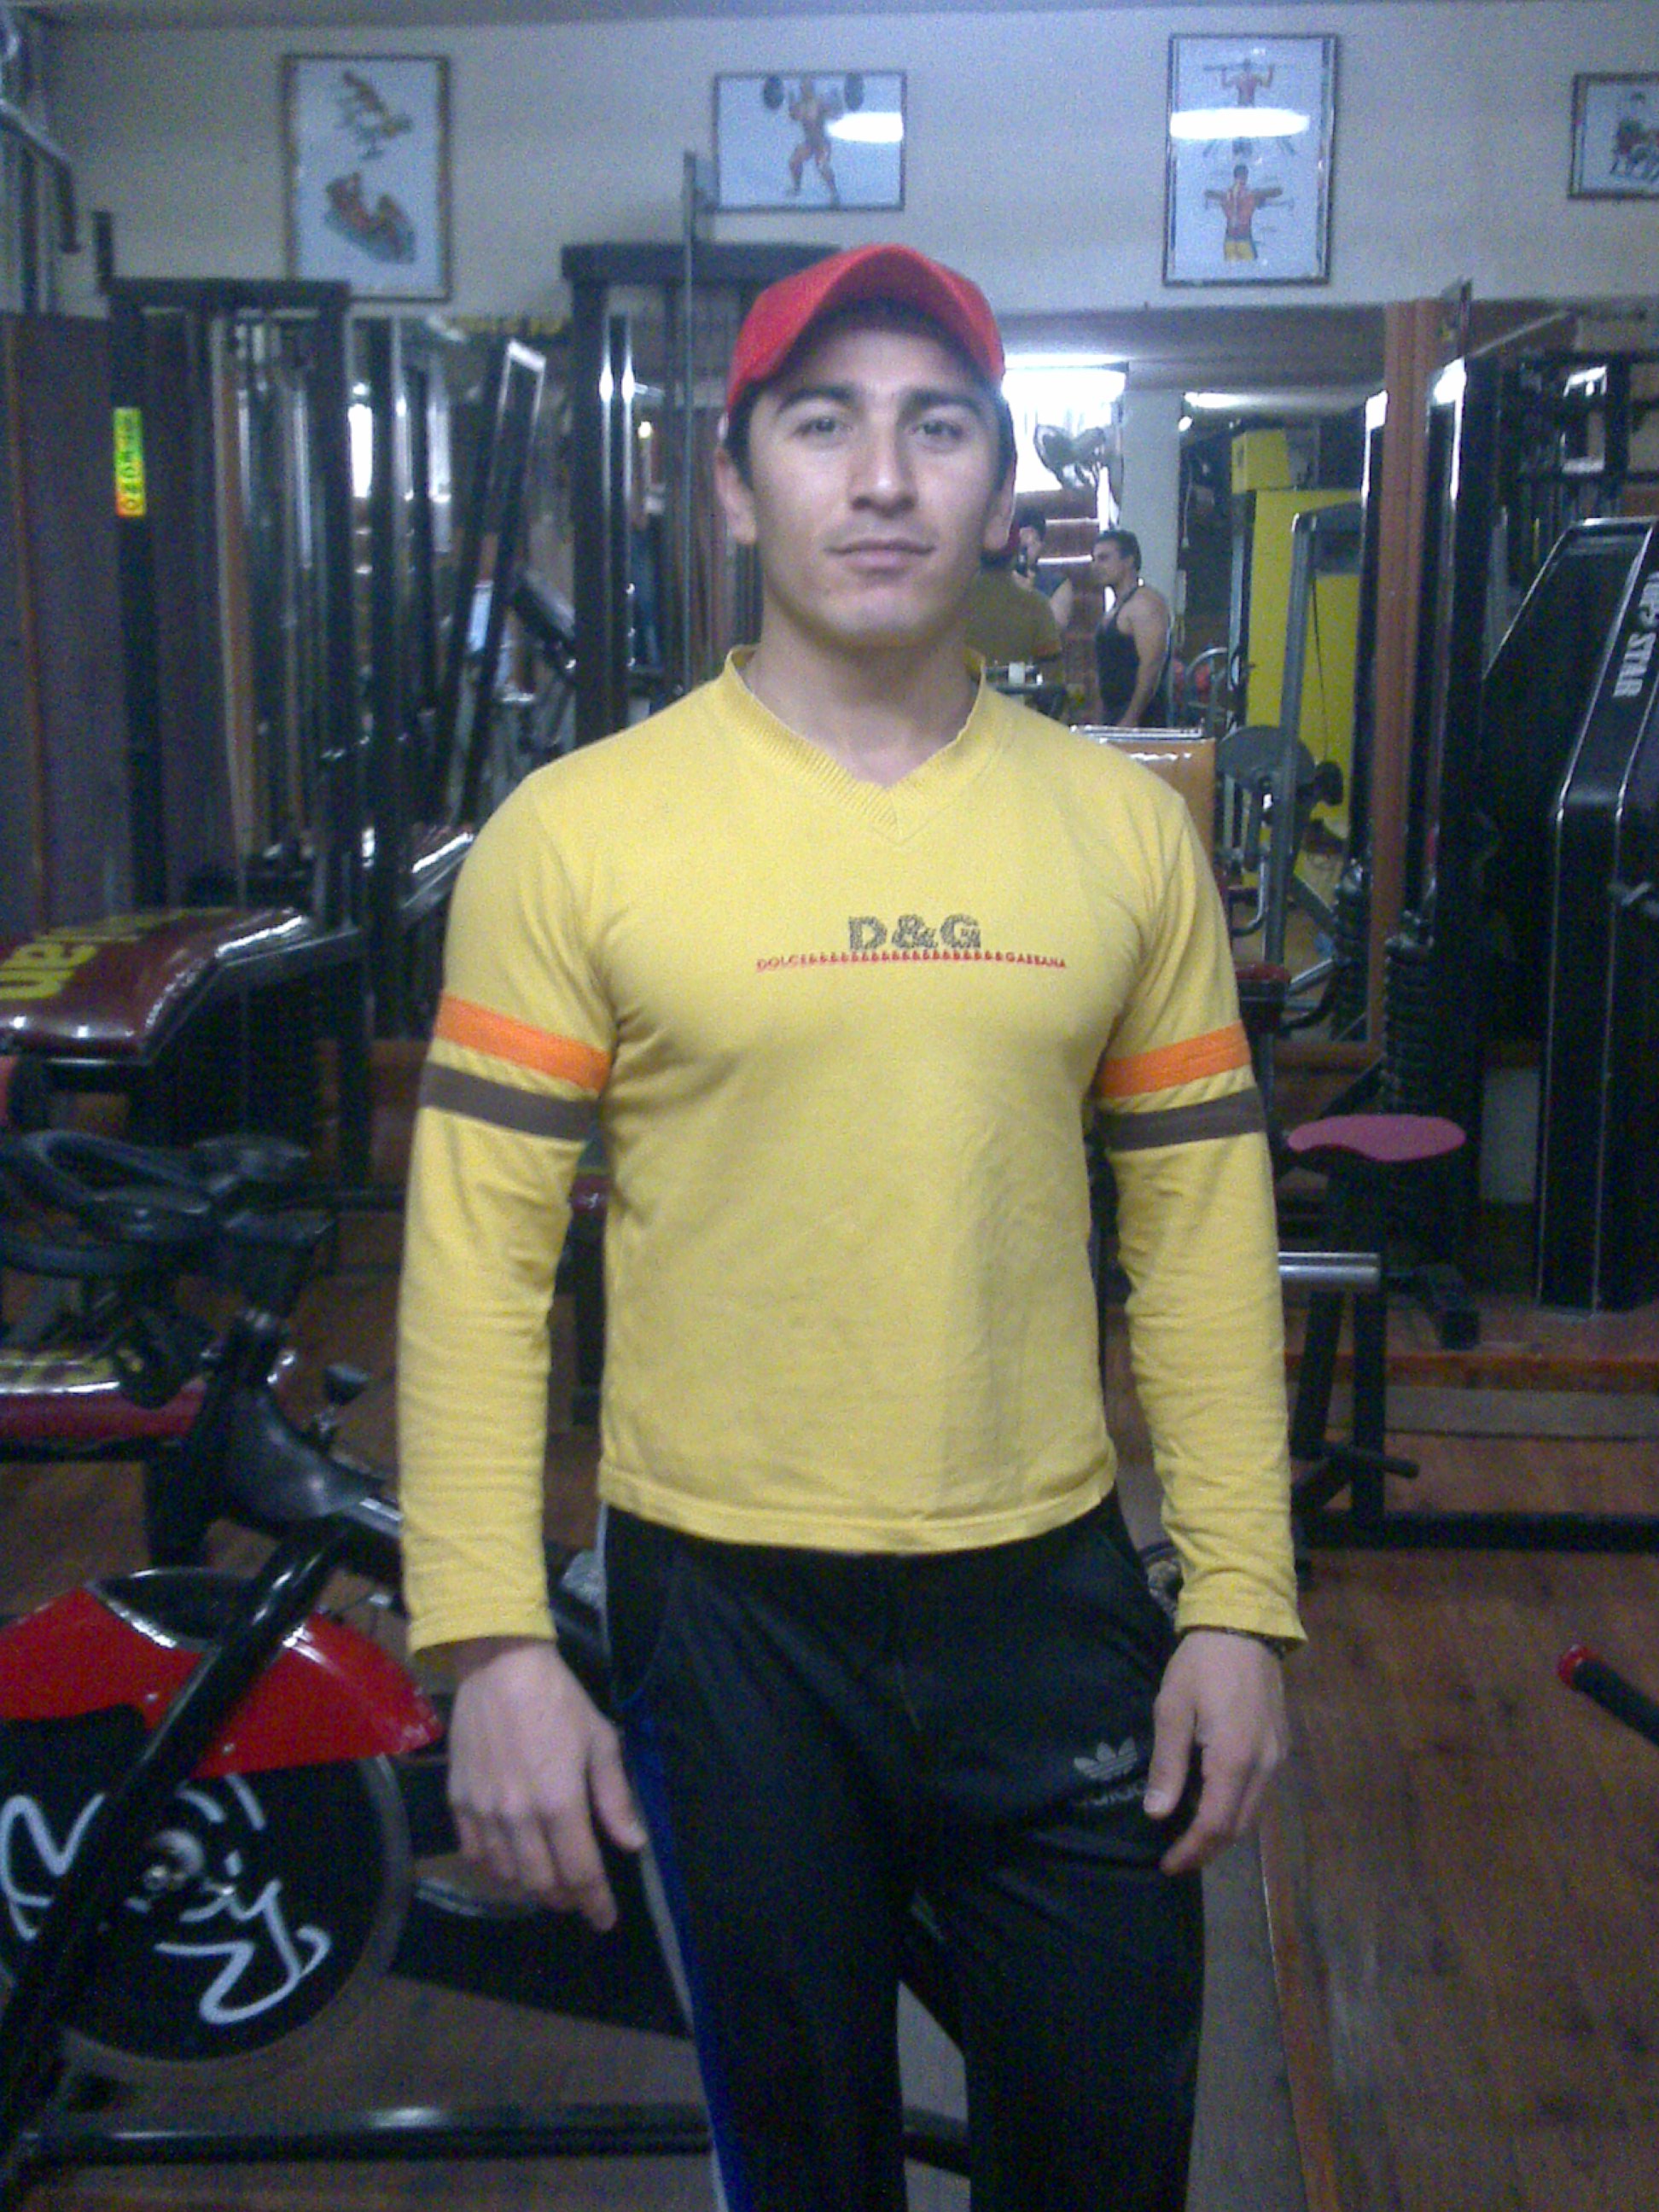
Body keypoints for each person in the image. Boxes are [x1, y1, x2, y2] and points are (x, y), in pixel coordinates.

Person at [398, 242, 1301, 2212]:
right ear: (737, 487)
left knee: (1105, 2162)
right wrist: (491, 1642)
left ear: (998, 487)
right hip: (724, 1621)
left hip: (1048, 1597)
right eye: (822, 425)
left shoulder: (1118, 830)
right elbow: (474, 1261)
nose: (881, 478)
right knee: (803, 2170)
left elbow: (1200, 1225)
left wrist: (1237, 1597)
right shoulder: (577, 833)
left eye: (934, 427)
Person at [964, 515, 1064, 679]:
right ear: (1016, 554)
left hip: (963, 695)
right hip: (1016, 693)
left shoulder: (950, 606)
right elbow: (1053, 675)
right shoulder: (1036, 606)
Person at [1092, 527, 1173, 726]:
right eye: (1094, 559)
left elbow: (1151, 667)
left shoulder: (1145, 604)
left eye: (1104, 558)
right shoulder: (1116, 608)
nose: (1096, 566)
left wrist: (1130, 719)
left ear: (1128, 561)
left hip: (1142, 722)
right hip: (1114, 716)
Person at [1014, 504, 1076, 632]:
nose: (1025, 546)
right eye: (1019, 539)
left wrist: (1030, 596)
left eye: (1034, 539)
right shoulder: (990, 578)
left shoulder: (1057, 584)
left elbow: (1056, 628)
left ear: (1042, 545)